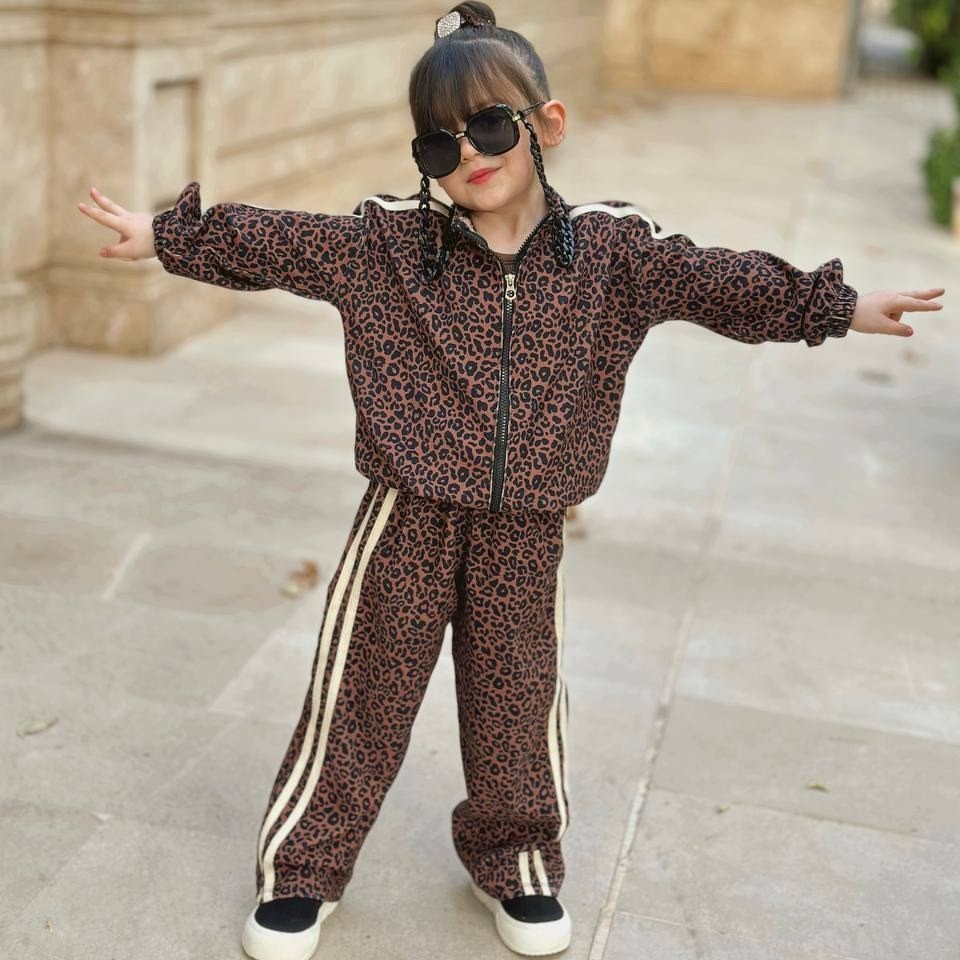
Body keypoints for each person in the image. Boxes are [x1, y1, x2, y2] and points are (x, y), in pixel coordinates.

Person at [76, 3, 946, 957]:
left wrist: (836, 305)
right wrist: (166, 236)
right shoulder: (388, 245)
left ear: (547, 124)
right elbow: (279, 242)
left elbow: (717, 282)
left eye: (489, 126)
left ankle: (519, 861)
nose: (467, 154)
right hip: (405, 516)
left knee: (516, 705)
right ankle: (305, 869)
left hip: (527, 528)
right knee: (361, 695)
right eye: (438, 143)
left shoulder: (611, 252)